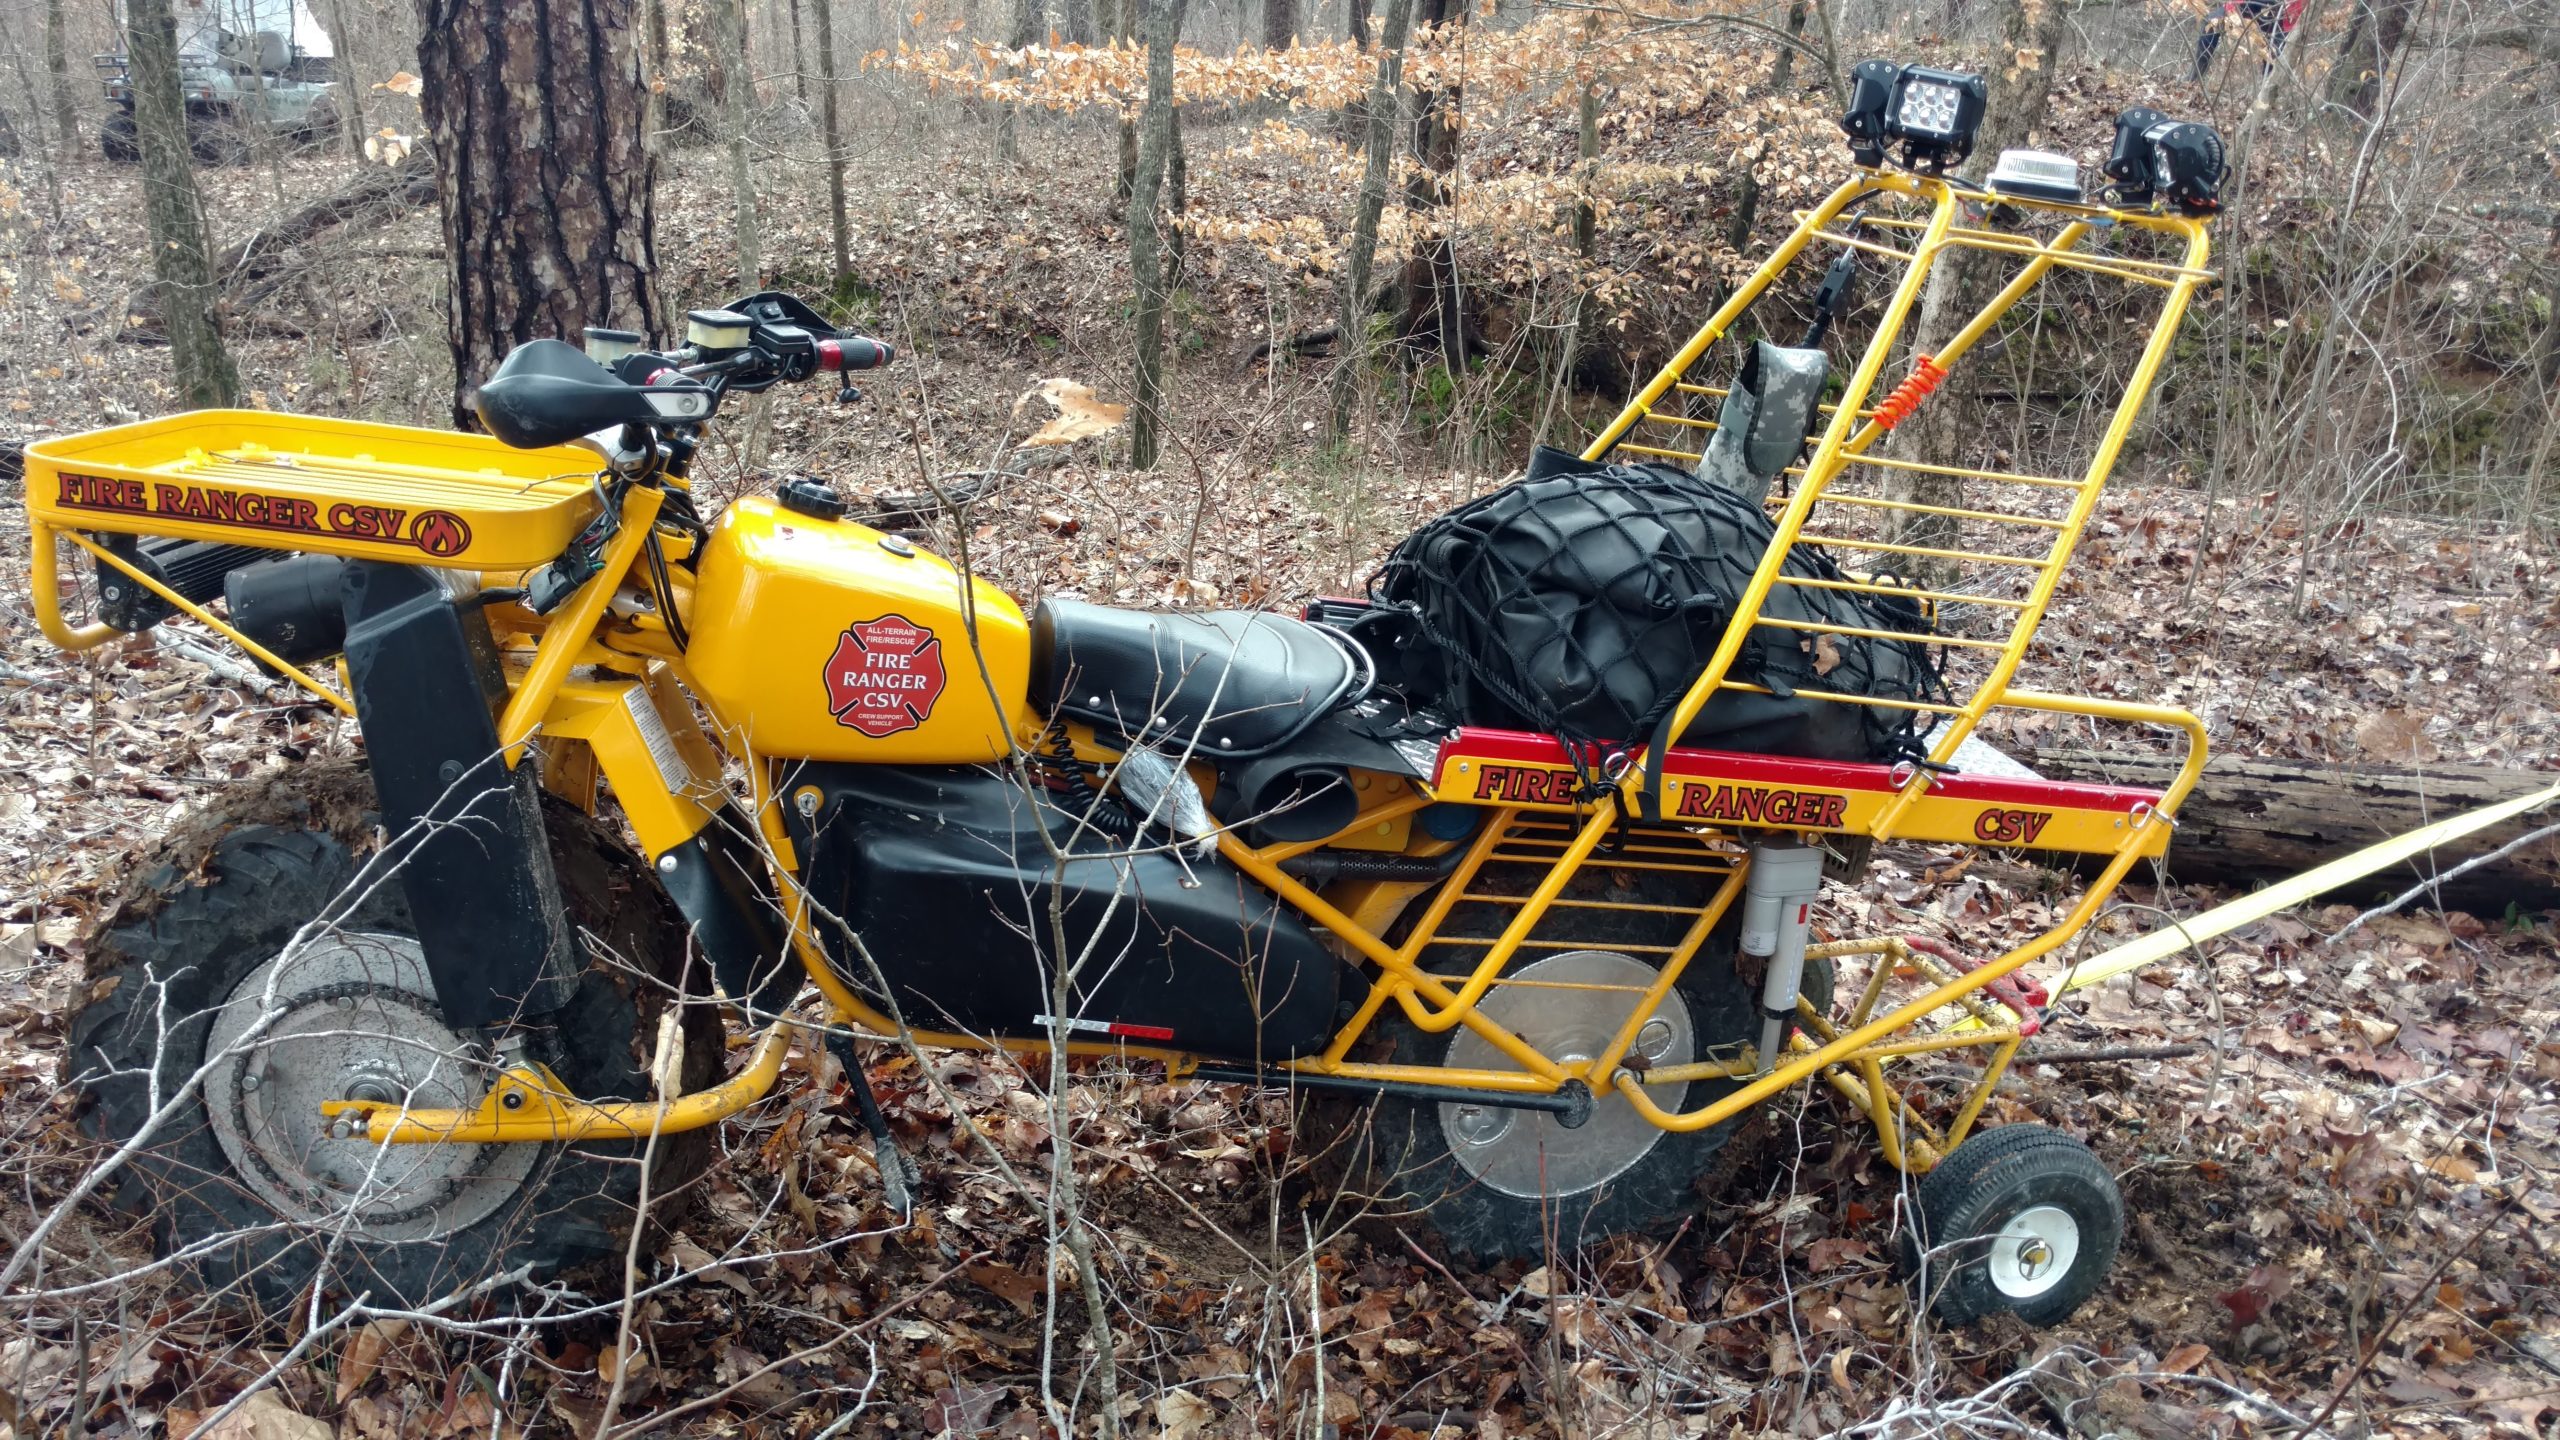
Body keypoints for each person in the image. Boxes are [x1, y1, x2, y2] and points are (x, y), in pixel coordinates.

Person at [2194, 0, 2304, 79]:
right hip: (2249, 3)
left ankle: (2267, 95)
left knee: (2274, 53)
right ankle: (2195, 77)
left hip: (2286, 11)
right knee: (2211, 21)